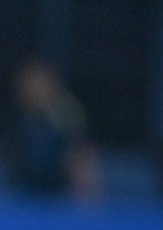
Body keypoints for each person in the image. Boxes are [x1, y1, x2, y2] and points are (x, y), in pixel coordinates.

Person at [8, 58, 101, 201]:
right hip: (24, 192)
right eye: (28, 85)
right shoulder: (19, 117)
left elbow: (81, 158)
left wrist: (86, 200)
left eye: (39, 84)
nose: (33, 90)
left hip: (60, 196)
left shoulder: (66, 113)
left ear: (52, 85)